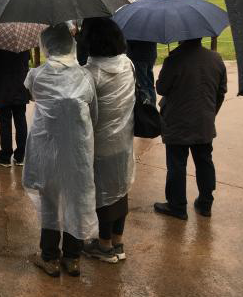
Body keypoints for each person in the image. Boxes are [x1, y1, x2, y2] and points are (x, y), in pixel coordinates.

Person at [23, 23, 97, 278]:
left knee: (50, 200)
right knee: (76, 197)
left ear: (46, 45)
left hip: (47, 147)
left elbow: (33, 94)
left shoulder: (37, 75)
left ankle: (50, 256)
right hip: (77, 149)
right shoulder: (84, 76)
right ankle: (73, 257)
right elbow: (93, 112)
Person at [80, 18, 136, 264]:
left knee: (103, 193)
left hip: (100, 142)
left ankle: (103, 245)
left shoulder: (91, 74)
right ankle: (118, 241)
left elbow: (86, 115)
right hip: (124, 139)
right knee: (121, 189)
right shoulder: (128, 64)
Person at [154, 38, 227, 220]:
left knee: (177, 164)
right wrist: (211, 113)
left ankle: (177, 206)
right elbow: (221, 91)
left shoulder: (174, 59)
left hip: (177, 121)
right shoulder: (216, 58)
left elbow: (162, 88)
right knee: (204, 161)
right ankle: (205, 203)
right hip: (204, 121)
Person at [0, 48, 31, 168]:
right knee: (20, 119)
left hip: (3, 87)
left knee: (5, 121)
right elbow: (26, 63)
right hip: (20, 85)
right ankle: (21, 155)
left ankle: (5, 155)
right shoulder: (23, 43)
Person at [127, 40, 158, 104]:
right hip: (150, 54)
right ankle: (152, 105)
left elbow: (131, 42)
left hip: (139, 56)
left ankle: (147, 107)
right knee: (149, 83)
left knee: (142, 85)